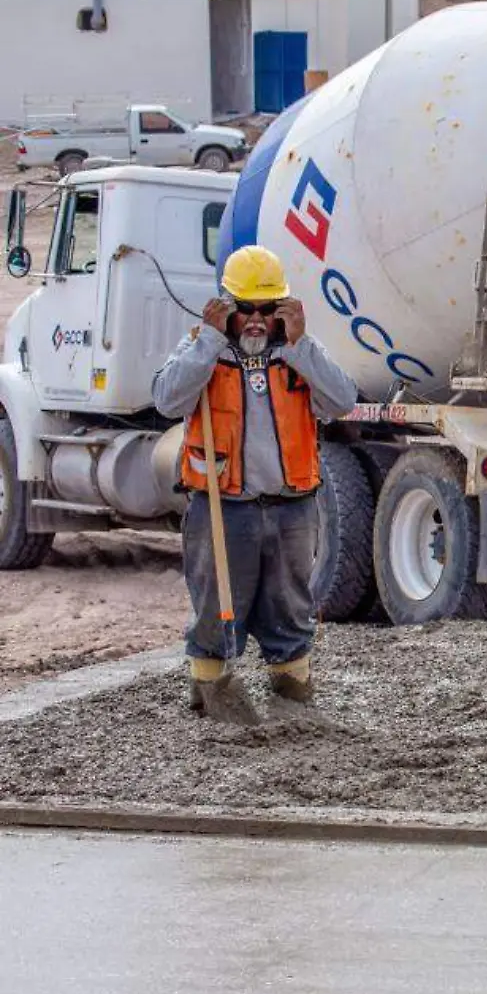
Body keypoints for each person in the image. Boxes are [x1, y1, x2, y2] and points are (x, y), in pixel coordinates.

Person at [152, 245, 357, 724]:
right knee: (215, 606)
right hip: (224, 507)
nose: (258, 320)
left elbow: (343, 400)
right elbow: (166, 398)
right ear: (227, 306)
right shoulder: (204, 349)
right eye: (247, 309)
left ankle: (292, 701)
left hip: (291, 508)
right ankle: (213, 701)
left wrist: (302, 345)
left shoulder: (298, 352)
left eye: (269, 309)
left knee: (291, 607)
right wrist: (206, 340)